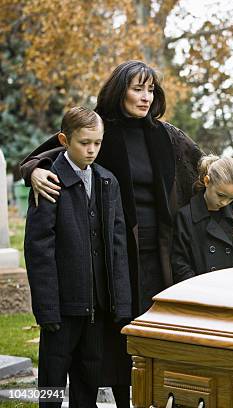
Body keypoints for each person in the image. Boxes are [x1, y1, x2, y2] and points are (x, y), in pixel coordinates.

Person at [20, 60, 233, 406]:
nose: (145, 97)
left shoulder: (165, 134)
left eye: (150, 89)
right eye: (137, 89)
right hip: (112, 250)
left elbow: (208, 167)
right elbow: (51, 152)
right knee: (112, 338)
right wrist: (34, 171)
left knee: (154, 332)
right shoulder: (100, 127)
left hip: (159, 251)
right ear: (120, 90)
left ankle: (157, 396)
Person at [24, 107, 131, 408]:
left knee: (87, 382)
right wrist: (46, 309)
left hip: (96, 307)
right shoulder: (49, 181)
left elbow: (118, 246)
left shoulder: (107, 182)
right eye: (85, 142)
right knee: (52, 383)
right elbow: (38, 249)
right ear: (64, 140)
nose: (92, 150)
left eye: (97, 143)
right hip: (61, 306)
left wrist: (120, 303)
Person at [172, 155, 233, 283]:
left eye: (232, 198)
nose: (224, 202)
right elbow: (180, 263)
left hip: (232, 291)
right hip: (198, 293)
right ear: (207, 181)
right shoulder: (186, 216)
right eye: (221, 195)